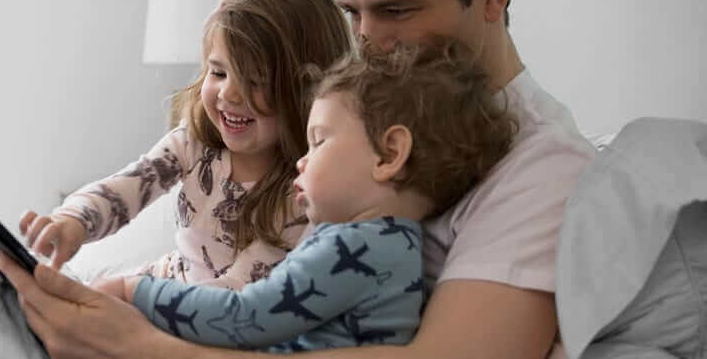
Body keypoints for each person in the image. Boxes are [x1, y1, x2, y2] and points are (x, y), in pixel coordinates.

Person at [0, 0, 597, 358]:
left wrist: (135, 343)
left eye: (395, 11)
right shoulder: (378, 103)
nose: (367, 41)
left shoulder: (539, 168)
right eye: (352, 13)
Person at [96, 39, 517, 352]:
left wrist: (135, 292)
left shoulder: (359, 246)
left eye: (319, 141)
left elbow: (247, 316)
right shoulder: (389, 243)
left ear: (389, 155)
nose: (302, 159)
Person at [18, 0, 352, 291]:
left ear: (306, 90)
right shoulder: (194, 141)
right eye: (218, 72)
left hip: (211, 312)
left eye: (255, 81)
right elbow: (126, 188)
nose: (228, 94)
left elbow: (237, 292)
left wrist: (126, 298)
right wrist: (72, 222)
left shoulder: (301, 192)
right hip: (167, 280)